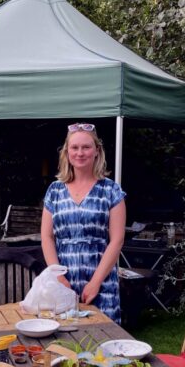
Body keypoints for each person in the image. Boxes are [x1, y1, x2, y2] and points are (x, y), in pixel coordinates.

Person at [41, 122, 126, 323]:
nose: (80, 153)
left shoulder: (111, 190)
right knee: (63, 342)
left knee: (104, 345)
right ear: (67, 152)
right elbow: (46, 237)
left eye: (86, 147)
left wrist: (95, 283)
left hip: (101, 281)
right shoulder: (55, 190)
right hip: (64, 281)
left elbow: (117, 240)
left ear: (97, 151)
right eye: (75, 147)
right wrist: (58, 276)